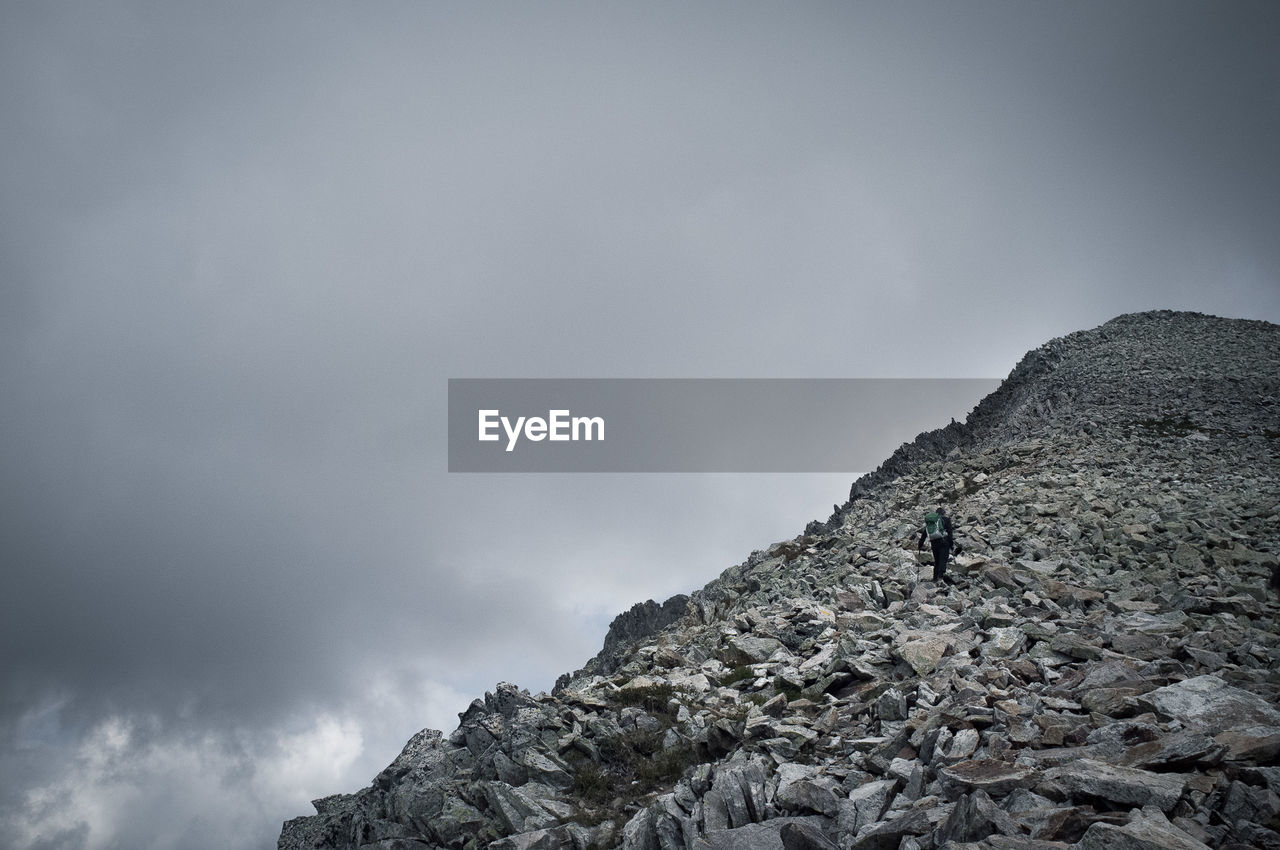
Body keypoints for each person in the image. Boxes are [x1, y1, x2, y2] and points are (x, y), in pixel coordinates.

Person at [918, 506, 955, 582]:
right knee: (943, 559)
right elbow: (950, 533)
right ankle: (940, 577)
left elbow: (925, 533)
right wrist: (951, 545)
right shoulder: (946, 520)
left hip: (934, 543)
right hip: (944, 542)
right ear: (943, 513)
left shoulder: (933, 522)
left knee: (937, 561)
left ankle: (935, 578)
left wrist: (920, 544)